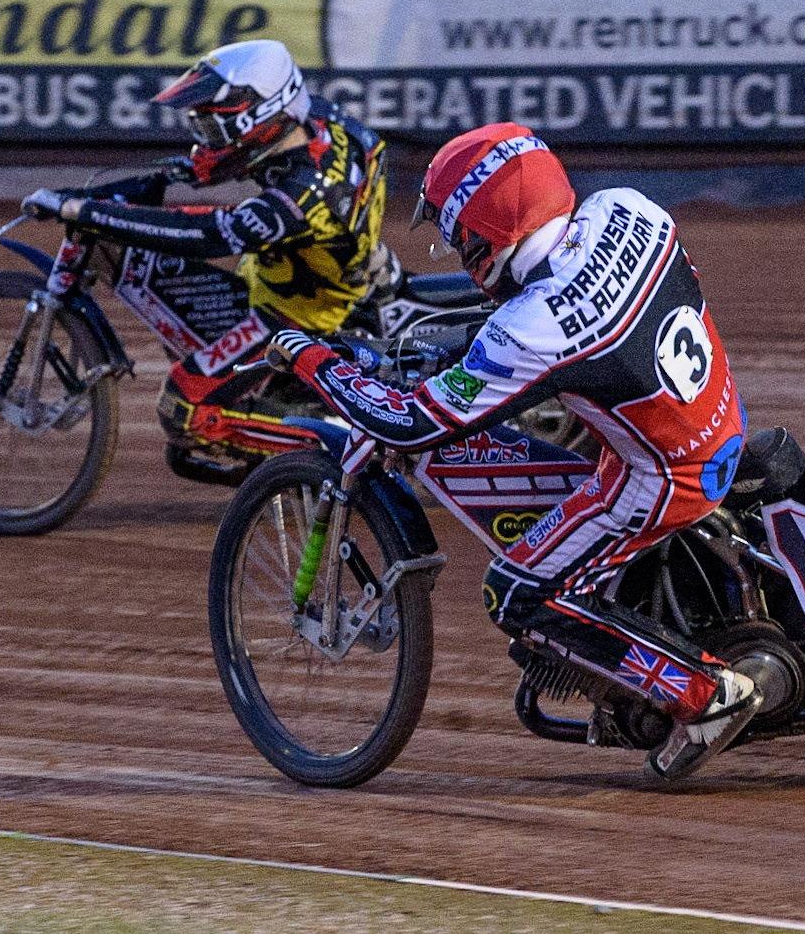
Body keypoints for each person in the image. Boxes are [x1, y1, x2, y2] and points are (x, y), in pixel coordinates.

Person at [261, 122, 761, 780]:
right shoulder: (628, 208)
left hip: (662, 475)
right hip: (716, 416)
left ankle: (704, 696)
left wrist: (313, 360)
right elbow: (554, 319)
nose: (456, 249)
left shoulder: (531, 327)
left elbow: (409, 425)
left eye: (457, 235)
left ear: (485, 232)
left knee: (516, 592)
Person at [21, 38, 397, 459]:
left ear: (259, 118)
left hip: (296, 314)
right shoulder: (314, 121)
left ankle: (343, 453)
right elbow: (222, 168)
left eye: (214, 129)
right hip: (316, 267)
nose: (204, 140)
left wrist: (89, 212)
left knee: (181, 406)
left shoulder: (303, 195)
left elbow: (210, 235)